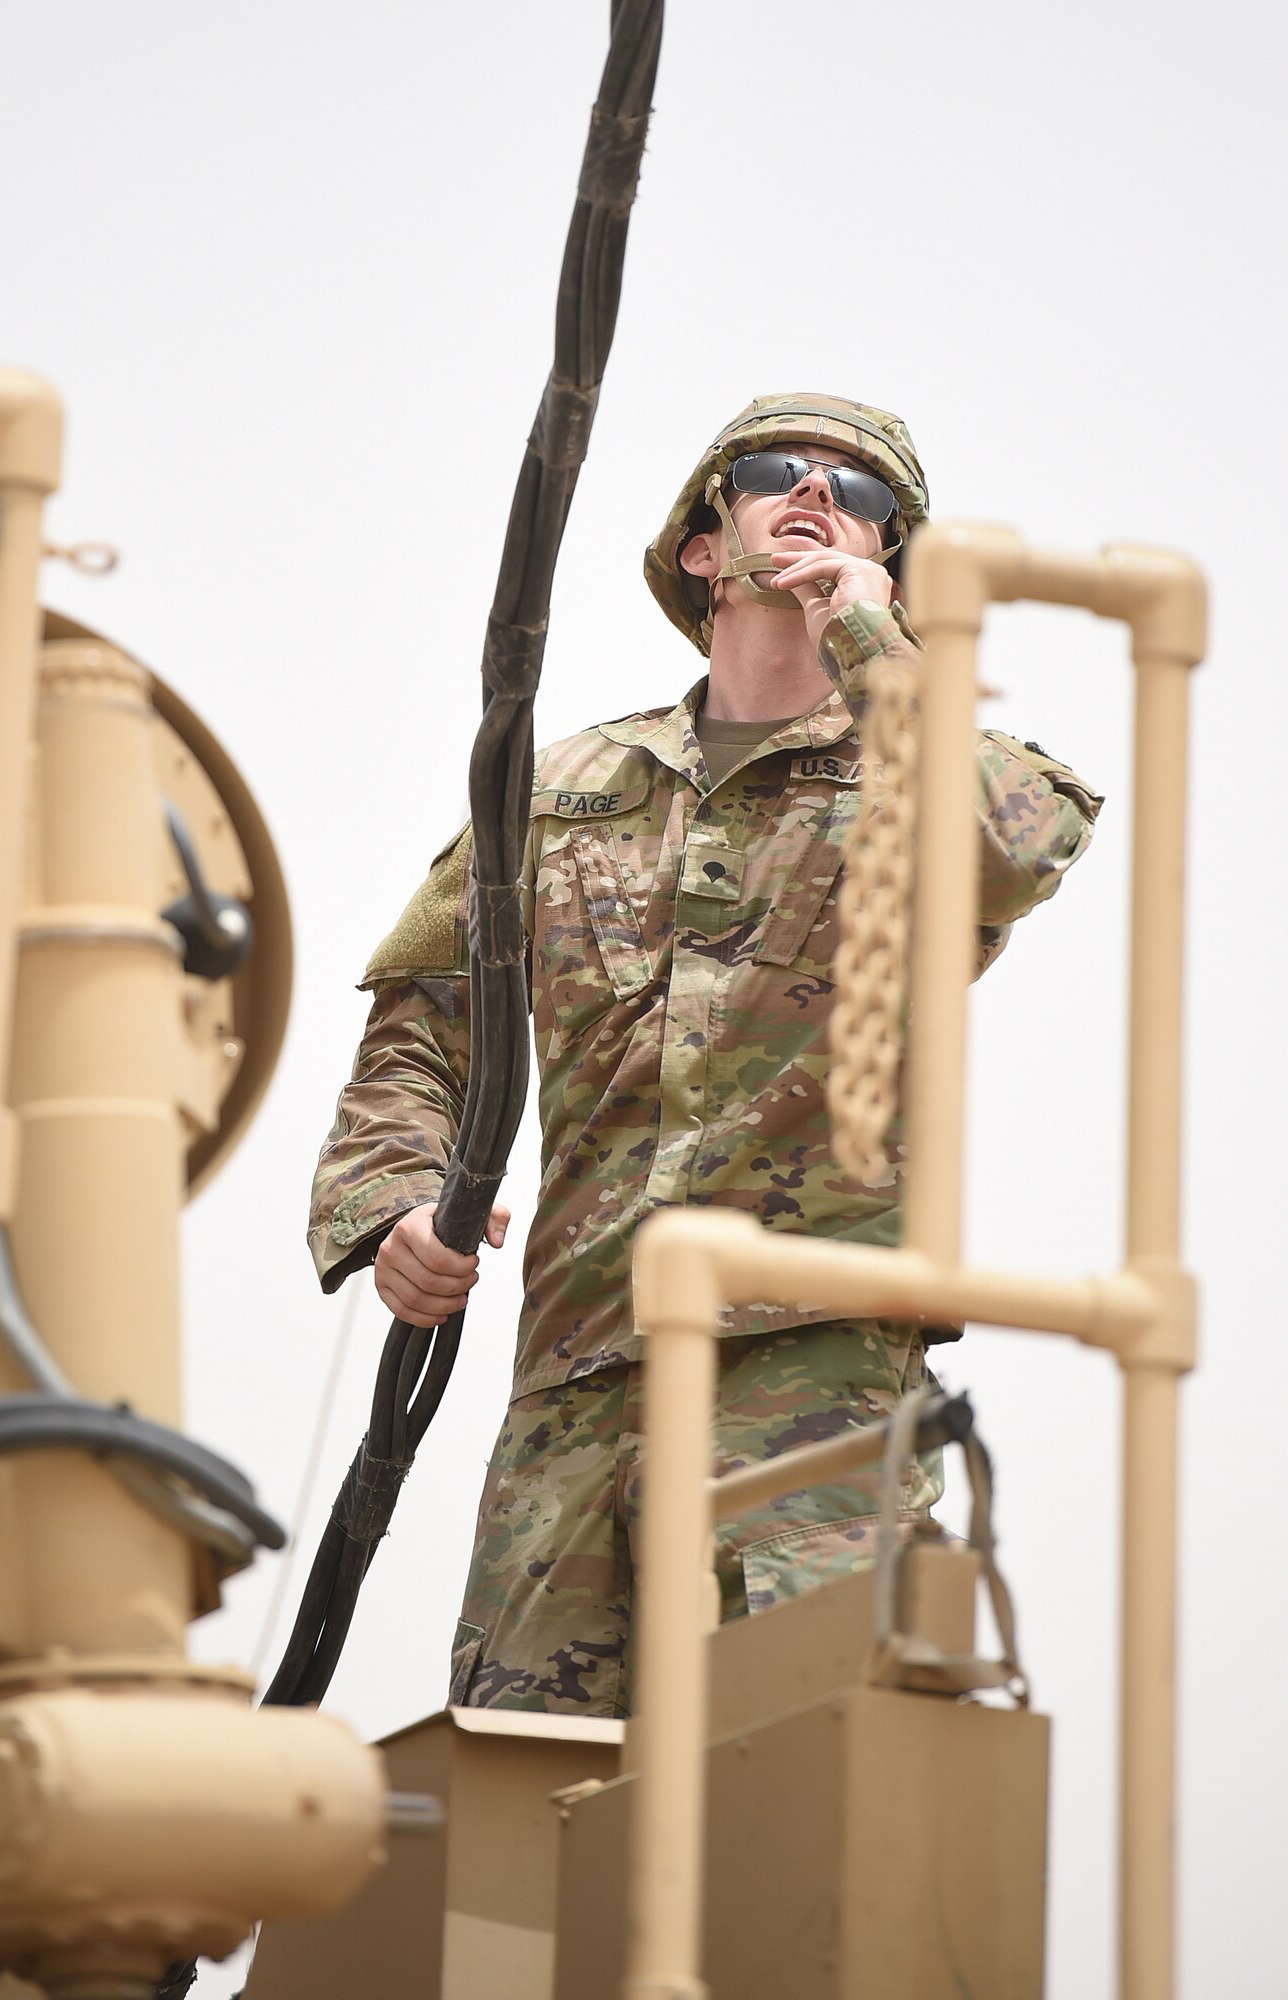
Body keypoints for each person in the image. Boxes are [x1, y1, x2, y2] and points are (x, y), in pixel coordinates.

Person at [309, 393, 1102, 1717]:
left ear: (891, 561)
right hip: (577, 1374)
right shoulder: (559, 788)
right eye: (776, 471)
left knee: (801, 1774)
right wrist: (386, 1204)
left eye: (862, 500)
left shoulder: (950, 766)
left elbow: (1009, 852)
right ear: (699, 541)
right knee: (523, 1792)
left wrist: (865, 627)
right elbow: (423, 1028)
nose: (817, 498)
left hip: (812, 1370)